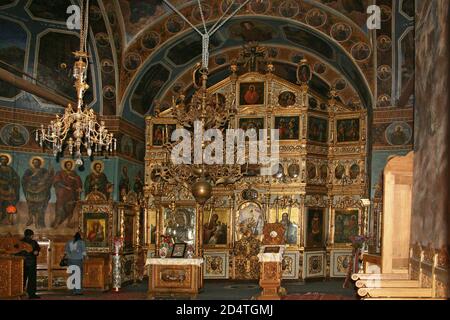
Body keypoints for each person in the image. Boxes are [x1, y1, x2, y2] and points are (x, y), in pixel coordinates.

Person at [22, 157, 54, 228]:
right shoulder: (29, 170)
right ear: (32, 163)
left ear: (40, 163)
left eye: (37, 162)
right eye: (35, 162)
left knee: (40, 207)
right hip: (31, 191)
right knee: (31, 206)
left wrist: (50, 175)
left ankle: (38, 222)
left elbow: (48, 179)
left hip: (41, 191)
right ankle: (30, 219)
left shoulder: (44, 170)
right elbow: (24, 179)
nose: (36, 163)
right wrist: (32, 180)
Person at [52, 160, 82, 228]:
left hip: (72, 194)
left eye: (70, 165)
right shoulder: (60, 173)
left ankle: (68, 223)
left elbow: (78, 182)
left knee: (70, 209)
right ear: (65, 165)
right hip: (62, 194)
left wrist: (79, 186)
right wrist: (65, 187)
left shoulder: (74, 174)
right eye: (68, 165)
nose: (69, 166)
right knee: (60, 208)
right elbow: (56, 182)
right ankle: (57, 223)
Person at [16, 229, 41, 299]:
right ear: (31, 235)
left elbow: (16, 252)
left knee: (21, 279)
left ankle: (19, 293)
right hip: (31, 263)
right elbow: (37, 250)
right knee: (32, 279)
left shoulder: (19, 242)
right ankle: (31, 294)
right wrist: (36, 252)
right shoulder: (33, 242)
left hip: (22, 262)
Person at [0, 154, 20, 225]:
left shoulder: (10, 169)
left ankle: (9, 219)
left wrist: (14, 180)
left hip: (9, 189)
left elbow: (16, 177)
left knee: (9, 204)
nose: (3, 160)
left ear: (7, 161)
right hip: (1, 188)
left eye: (5, 159)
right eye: (2, 159)